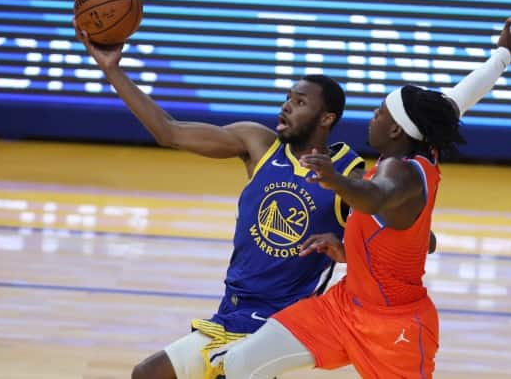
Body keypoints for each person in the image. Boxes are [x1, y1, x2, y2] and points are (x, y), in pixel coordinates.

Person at [222, 8, 511, 379]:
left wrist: (334, 179)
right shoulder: (422, 142)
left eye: (380, 113)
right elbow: (462, 96)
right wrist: (503, 54)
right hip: (343, 307)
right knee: (240, 363)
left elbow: (374, 197)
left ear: (396, 132)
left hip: (395, 329)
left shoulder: (402, 171)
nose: (373, 117)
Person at [73, 21, 367, 379]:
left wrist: (344, 247)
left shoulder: (349, 173)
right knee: (146, 374)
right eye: (288, 97)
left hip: (283, 323)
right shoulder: (258, 144)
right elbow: (170, 132)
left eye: (300, 102)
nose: (287, 106)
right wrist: (112, 70)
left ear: (326, 118)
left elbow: (378, 247)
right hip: (231, 311)